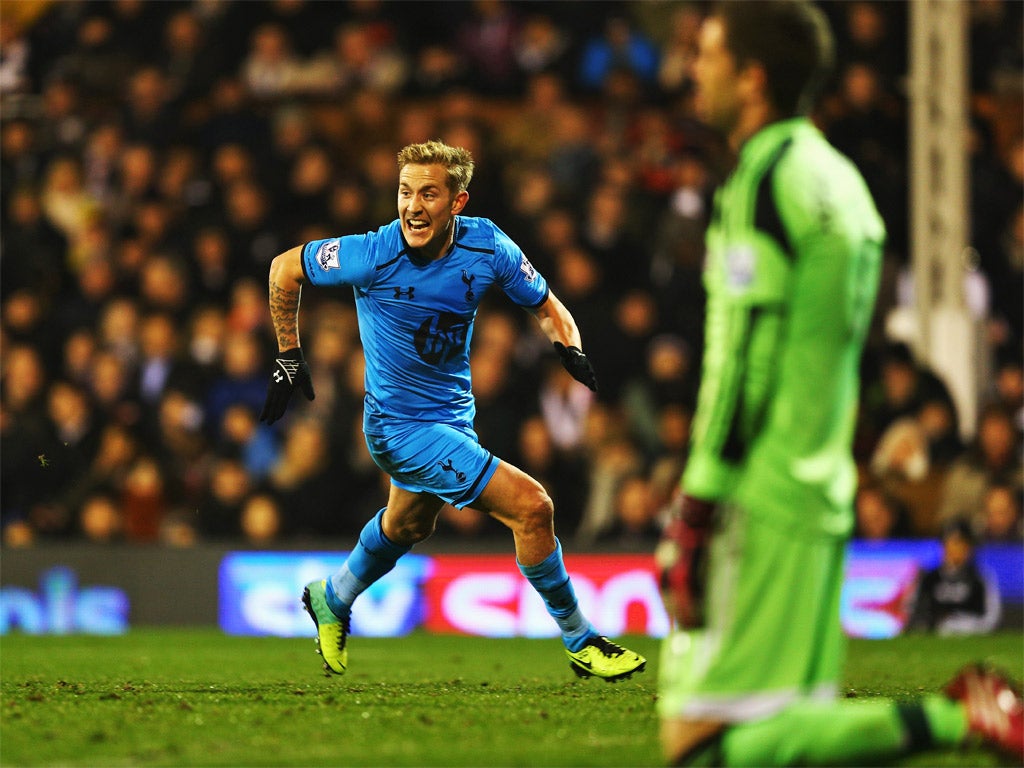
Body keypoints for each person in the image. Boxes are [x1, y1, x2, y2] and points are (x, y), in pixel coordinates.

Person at [655, 2, 1022, 765]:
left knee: (699, 744)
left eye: (711, 53)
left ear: (752, 79)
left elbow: (743, 361)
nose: (695, 66)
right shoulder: (840, 181)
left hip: (757, 499)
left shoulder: (763, 182)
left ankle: (961, 720)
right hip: (819, 487)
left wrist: (696, 503)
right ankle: (963, 717)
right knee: (777, 726)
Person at [259, 139, 645, 682]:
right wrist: (288, 356)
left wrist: (570, 348)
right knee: (533, 507)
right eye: (404, 192)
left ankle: (334, 596)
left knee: (408, 523)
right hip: (398, 427)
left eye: (429, 194)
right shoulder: (371, 253)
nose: (413, 206)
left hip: (452, 416)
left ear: (457, 203)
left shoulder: (487, 245)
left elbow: (546, 305)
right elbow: (283, 269)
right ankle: (582, 639)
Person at [906, 517, 1002, 636]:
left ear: (969, 547)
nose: (955, 548)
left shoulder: (980, 577)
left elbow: (990, 618)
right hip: (934, 636)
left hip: (971, 634)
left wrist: (959, 626)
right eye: (950, 543)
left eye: (959, 543)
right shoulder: (929, 577)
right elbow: (913, 610)